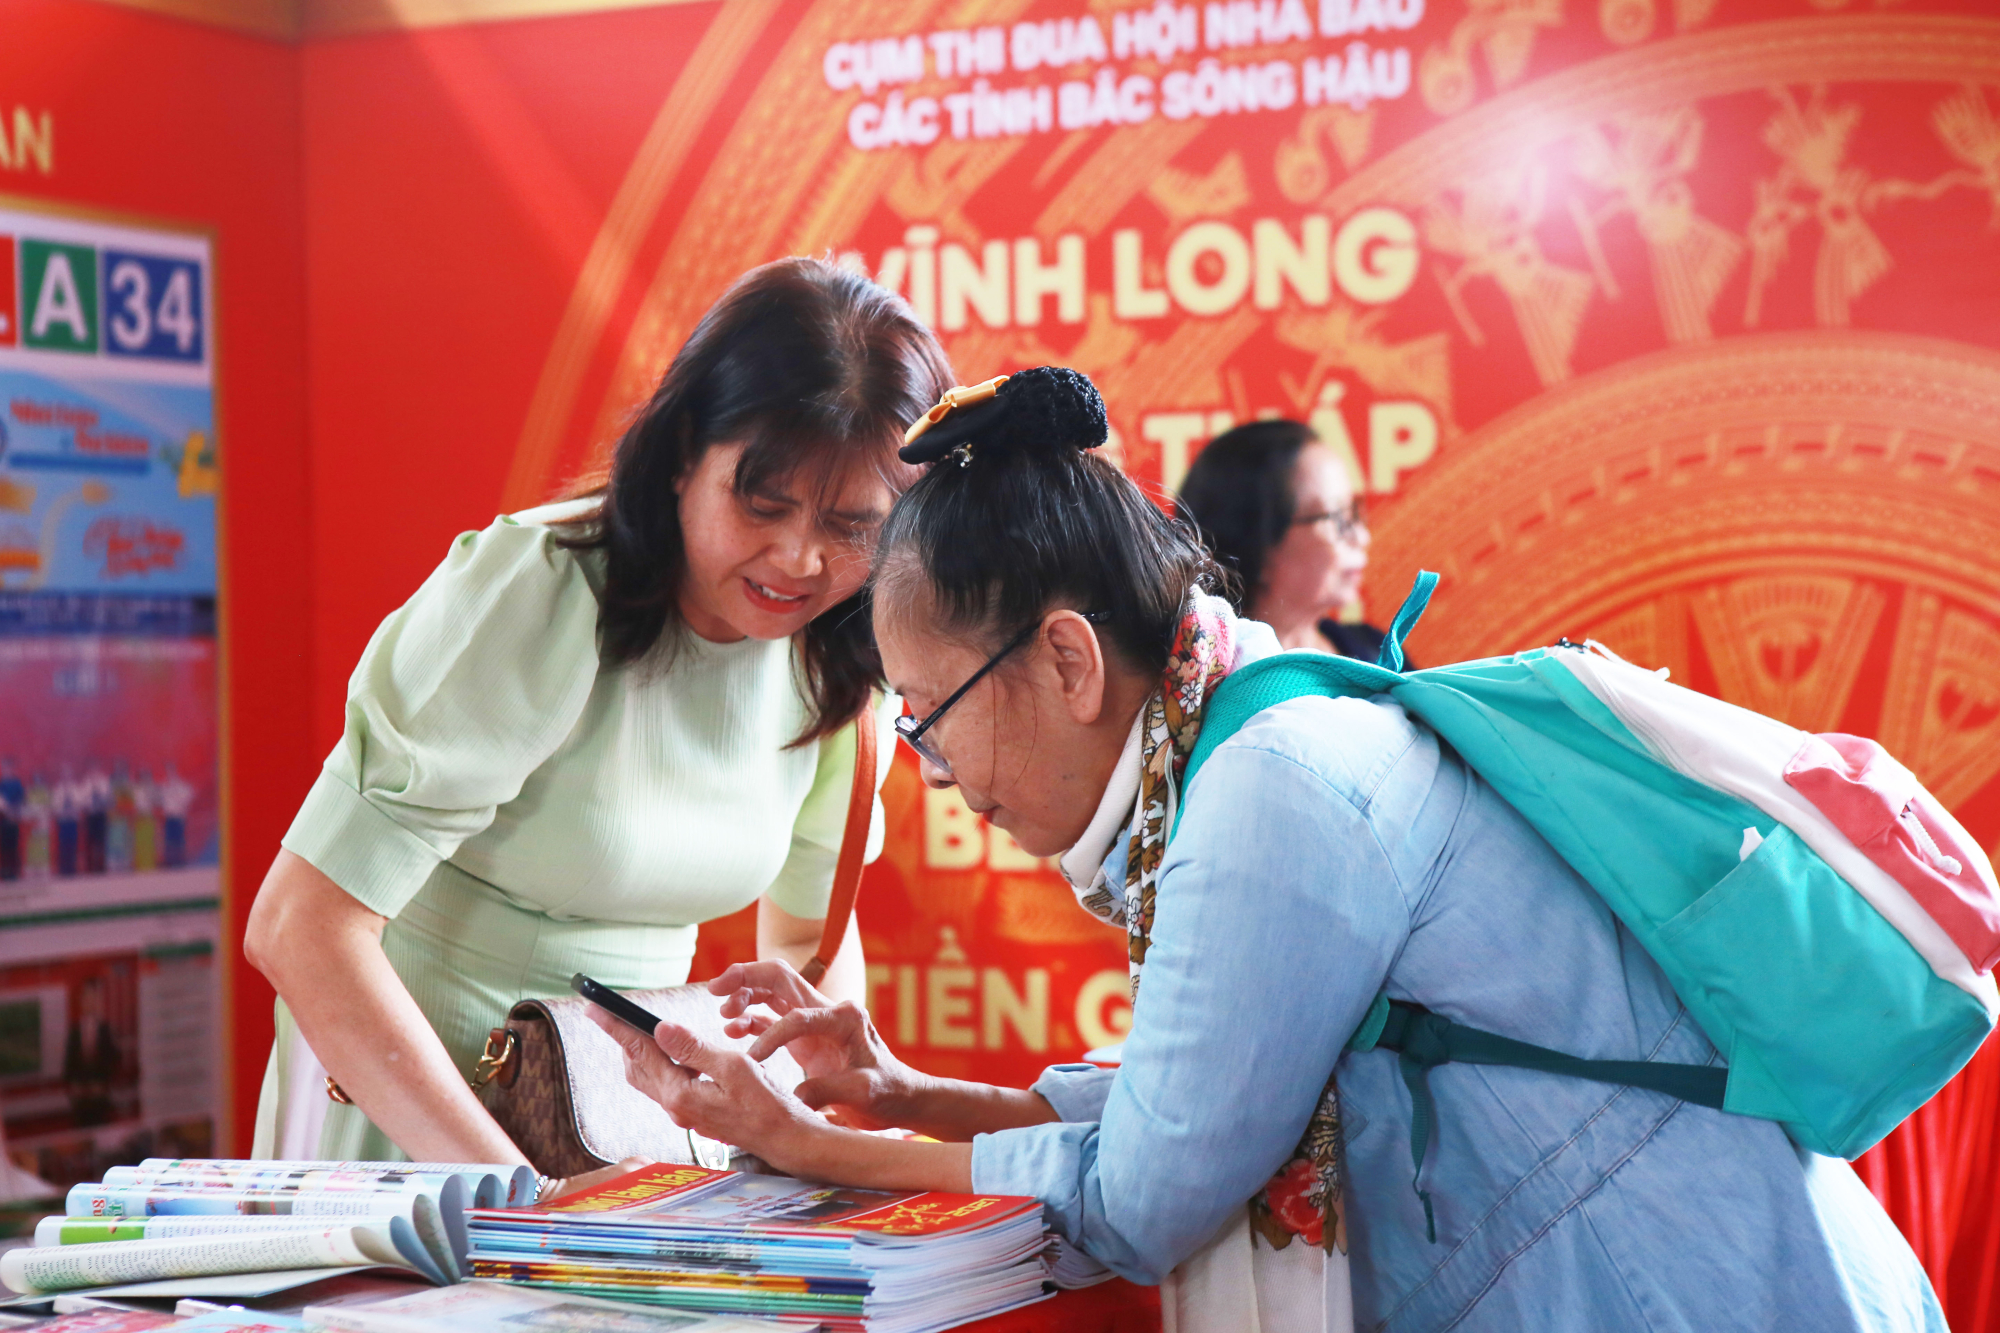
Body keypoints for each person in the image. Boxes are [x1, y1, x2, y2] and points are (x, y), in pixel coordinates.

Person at [598, 367, 1944, 1332]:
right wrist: (897, 1091)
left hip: (1682, 1285)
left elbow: (1142, 1200)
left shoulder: (1271, 794)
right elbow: (1199, 1108)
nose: (940, 779)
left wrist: (799, 1140)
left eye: (932, 721)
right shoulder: (1262, 729)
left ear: (1066, 661)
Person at [243, 258, 953, 1197]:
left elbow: (808, 956)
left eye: (853, 525)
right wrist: (513, 1199)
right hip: (410, 1125)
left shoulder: (835, 660)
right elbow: (300, 927)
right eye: (762, 502)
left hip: (619, 1142)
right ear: (681, 455)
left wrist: (808, 1144)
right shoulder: (539, 593)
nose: (800, 558)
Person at [1176, 418, 1390, 661]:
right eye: (1338, 518)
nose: (1362, 537)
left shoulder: (1379, 651)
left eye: (1354, 512)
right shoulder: (1199, 683)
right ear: (1255, 543)